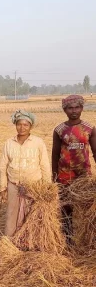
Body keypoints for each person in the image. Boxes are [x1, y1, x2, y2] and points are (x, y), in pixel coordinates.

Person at [52, 94, 96, 243]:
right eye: (70, 108)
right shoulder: (59, 130)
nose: (74, 110)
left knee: (87, 208)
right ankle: (68, 240)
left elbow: (95, 152)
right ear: (65, 110)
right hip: (64, 176)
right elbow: (55, 154)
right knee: (66, 209)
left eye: (77, 107)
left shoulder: (89, 128)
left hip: (84, 176)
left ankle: (88, 239)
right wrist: (54, 177)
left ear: (82, 108)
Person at [0, 110, 51, 237]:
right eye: (19, 124)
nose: (22, 128)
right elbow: (3, 166)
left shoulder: (38, 142)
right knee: (12, 213)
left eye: (25, 125)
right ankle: (10, 240)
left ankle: (29, 240)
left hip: (34, 185)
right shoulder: (9, 143)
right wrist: (3, 187)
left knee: (31, 213)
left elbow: (44, 165)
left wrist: (47, 185)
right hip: (14, 184)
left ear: (31, 126)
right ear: (15, 125)